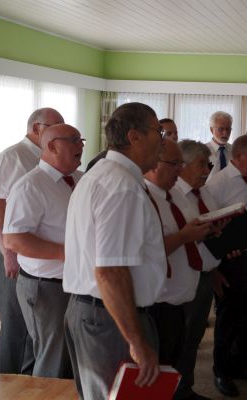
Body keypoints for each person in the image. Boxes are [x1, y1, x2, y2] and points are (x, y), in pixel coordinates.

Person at [63, 102, 166, 399]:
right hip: (110, 317)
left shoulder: (102, 174)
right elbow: (110, 271)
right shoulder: (121, 187)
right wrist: (137, 341)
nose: (162, 140)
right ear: (134, 136)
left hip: (97, 311)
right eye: (158, 131)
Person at [2, 124, 83, 378]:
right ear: (52, 146)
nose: (81, 145)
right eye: (73, 140)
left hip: (74, 281)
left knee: (69, 355)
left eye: (81, 140)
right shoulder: (30, 185)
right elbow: (14, 239)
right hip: (46, 286)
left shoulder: (80, 179)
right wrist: (65, 253)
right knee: (53, 359)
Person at [0, 107, 64, 374]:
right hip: (11, 245)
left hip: (37, 248)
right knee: (16, 321)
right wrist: (8, 253)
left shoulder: (48, 156)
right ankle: (7, 381)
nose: (60, 130)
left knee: (37, 325)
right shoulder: (11, 157)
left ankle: (31, 378)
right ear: (36, 128)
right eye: (55, 125)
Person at [144, 139, 216, 400]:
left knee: (182, 350)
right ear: (154, 163)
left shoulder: (175, 194)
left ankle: (182, 391)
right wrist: (185, 236)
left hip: (184, 291)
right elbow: (146, 250)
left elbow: (191, 230)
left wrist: (208, 230)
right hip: (159, 300)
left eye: (181, 163)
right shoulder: (143, 197)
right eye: (175, 163)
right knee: (159, 363)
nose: (180, 169)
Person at [205, 135, 247, 397]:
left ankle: (241, 361)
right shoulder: (218, 183)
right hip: (233, 260)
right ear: (238, 156)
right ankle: (222, 371)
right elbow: (209, 224)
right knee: (229, 317)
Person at [174, 139, 226, 400]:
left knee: (194, 337)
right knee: (178, 339)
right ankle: (174, 391)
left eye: (208, 165)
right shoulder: (172, 195)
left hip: (204, 274)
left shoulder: (205, 193)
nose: (207, 171)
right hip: (182, 277)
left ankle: (185, 387)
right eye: (201, 165)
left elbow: (212, 231)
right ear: (182, 165)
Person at [206, 111, 233, 178]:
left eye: (228, 129)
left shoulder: (235, 151)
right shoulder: (202, 151)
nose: (225, 133)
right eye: (221, 129)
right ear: (211, 130)